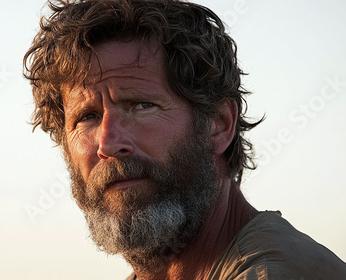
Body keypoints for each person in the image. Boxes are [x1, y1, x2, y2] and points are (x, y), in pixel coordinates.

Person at [23, 0, 346, 279]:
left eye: (141, 105)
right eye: (87, 117)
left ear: (218, 125)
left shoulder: (277, 272)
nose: (108, 143)